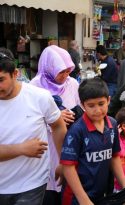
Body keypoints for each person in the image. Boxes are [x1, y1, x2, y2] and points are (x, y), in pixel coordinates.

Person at [0, 49, 67, 205]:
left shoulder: (39, 97)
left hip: (32, 183)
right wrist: (21, 149)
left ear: (15, 74)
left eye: (1, 79)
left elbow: (58, 126)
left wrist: (64, 161)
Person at [60, 78, 125, 205]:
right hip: (77, 198)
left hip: (102, 194)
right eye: (91, 106)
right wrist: (83, 199)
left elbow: (114, 157)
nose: (97, 110)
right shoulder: (77, 131)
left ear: (108, 100)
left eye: (101, 104)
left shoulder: (112, 124)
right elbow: (68, 167)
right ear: (82, 105)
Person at [30, 45, 80, 205]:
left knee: (67, 187)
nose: (65, 75)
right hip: (46, 144)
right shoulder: (34, 86)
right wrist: (56, 118)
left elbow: (82, 107)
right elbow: (30, 118)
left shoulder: (72, 84)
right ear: (49, 68)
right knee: (48, 188)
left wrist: (74, 114)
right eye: (61, 71)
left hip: (68, 143)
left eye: (68, 71)